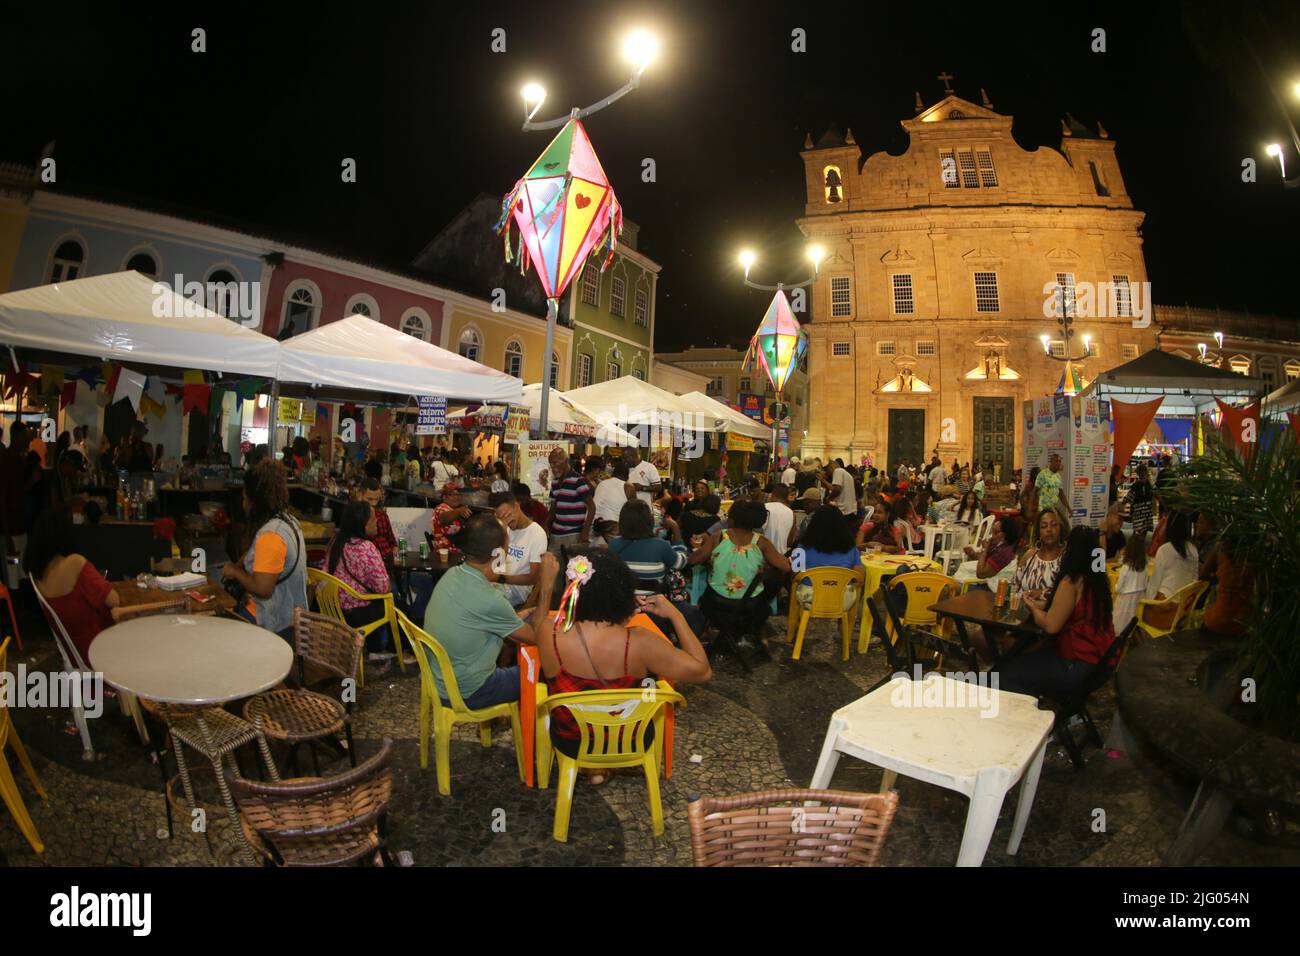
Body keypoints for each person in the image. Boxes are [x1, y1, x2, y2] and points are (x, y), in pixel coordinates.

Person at [536, 550, 711, 778]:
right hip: (630, 738)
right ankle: (620, 761)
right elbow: (702, 671)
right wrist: (676, 615)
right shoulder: (640, 642)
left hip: (572, 741)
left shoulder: (548, 631)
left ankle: (593, 767)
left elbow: (539, 620)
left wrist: (547, 585)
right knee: (650, 682)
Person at [422, 514, 543, 709]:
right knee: (546, 672)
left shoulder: (452, 574)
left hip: (441, 681)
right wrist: (546, 586)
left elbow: (478, 618)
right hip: (470, 691)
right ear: (498, 554)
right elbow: (537, 637)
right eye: (507, 545)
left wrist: (513, 618)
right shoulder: (490, 599)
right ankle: (530, 731)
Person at [997, 526, 1117, 699]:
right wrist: (1041, 603)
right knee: (1023, 656)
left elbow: (1051, 626)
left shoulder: (1072, 581)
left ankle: (1034, 718)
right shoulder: (1098, 581)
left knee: (1004, 674)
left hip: (1076, 665)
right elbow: (1068, 607)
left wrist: (1032, 607)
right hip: (1100, 664)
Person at [24, 509, 125, 662]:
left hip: (75, 655)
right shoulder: (74, 563)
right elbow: (114, 600)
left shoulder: (38, 575)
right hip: (98, 650)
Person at [221, 459, 308, 638]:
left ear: (255, 502)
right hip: (290, 615)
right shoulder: (288, 521)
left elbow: (263, 589)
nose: (244, 505)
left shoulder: (271, 536)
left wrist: (235, 572)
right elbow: (265, 562)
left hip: (275, 624)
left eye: (245, 499)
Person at [689, 499, 791, 642]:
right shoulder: (761, 542)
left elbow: (694, 560)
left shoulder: (718, 536)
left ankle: (706, 630)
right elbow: (785, 567)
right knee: (775, 578)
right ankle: (757, 631)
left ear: (732, 518)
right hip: (751, 604)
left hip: (715, 603)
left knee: (707, 591)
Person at [607, 500, 707, 636]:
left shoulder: (613, 545)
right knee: (695, 616)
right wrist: (676, 528)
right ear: (649, 521)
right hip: (654, 611)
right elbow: (682, 562)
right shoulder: (660, 546)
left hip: (623, 609)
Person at [324, 500, 395, 657]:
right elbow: (383, 588)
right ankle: (394, 650)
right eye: (373, 519)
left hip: (334, 608)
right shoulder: (366, 548)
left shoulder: (335, 541)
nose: (377, 521)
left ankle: (373, 649)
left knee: (374, 597)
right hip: (356, 614)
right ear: (363, 524)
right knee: (396, 603)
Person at [489, 490, 548, 608]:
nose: (507, 521)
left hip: (518, 590)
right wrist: (504, 534)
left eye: (508, 515)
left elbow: (533, 578)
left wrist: (502, 578)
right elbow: (497, 566)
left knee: (483, 600)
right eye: (501, 518)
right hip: (499, 583)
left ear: (516, 506)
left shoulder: (537, 534)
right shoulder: (504, 528)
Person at [546, 447, 593, 550]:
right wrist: (546, 525)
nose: (552, 467)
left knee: (572, 565)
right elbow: (553, 508)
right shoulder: (555, 482)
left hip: (573, 534)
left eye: (555, 463)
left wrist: (585, 532)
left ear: (566, 461)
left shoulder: (578, 480)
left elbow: (592, 506)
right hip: (556, 534)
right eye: (551, 464)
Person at [1146, 511, 1198, 601]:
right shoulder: (1193, 549)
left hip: (1165, 603)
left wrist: (1147, 601)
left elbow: (1155, 582)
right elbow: (1194, 579)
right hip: (1184, 604)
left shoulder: (1165, 550)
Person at [1014, 509, 1064, 597]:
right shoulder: (1030, 555)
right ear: (1039, 532)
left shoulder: (1066, 558)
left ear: (1061, 529)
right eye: (1044, 526)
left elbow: (1069, 595)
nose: (1049, 529)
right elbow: (1014, 585)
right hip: (1023, 607)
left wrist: (1042, 594)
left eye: (1054, 525)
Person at [963, 514, 1020, 580]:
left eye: (996, 532)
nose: (992, 536)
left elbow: (980, 573)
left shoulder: (1004, 552)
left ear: (1006, 534)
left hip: (986, 585)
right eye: (992, 531)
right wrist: (972, 554)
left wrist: (985, 549)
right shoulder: (997, 544)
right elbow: (984, 561)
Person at [1112, 531, 1148, 633]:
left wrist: (1114, 586)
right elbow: (1145, 585)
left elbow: (1118, 588)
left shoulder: (1126, 567)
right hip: (1138, 601)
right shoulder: (1144, 567)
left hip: (1124, 602)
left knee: (1118, 627)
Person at [359, 478, 398, 561]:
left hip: (388, 562)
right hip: (369, 562)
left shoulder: (382, 516)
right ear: (360, 496)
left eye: (376, 499)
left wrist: (395, 555)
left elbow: (393, 544)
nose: (374, 503)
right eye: (370, 499)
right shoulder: (355, 517)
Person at [593, 460, 634, 534]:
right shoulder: (629, 487)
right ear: (627, 476)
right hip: (615, 531)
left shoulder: (602, 484)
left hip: (598, 527)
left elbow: (594, 506)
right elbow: (634, 512)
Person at [432, 483, 471, 552]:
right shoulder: (441, 508)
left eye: (458, 494)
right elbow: (444, 518)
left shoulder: (453, 509)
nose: (456, 497)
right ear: (444, 497)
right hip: (445, 552)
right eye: (451, 495)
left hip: (456, 550)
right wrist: (458, 511)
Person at [762, 482, 796, 553]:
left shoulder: (764, 507)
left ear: (772, 495)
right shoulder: (792, 513)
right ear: (786, 497)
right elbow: (789, 542)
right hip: (781, 556)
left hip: (762, 555)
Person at [1128, 464, 1155, 535]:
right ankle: (1138, 545)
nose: (1143, 474)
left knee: (1138, 534)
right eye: (1141, 472)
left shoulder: (1140, 484)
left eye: (1143, 472)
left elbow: (1129, 498)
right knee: (1140, 534)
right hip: (1144, 512)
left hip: (1140, 513)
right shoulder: (1147, 484)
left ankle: (1137, 545)